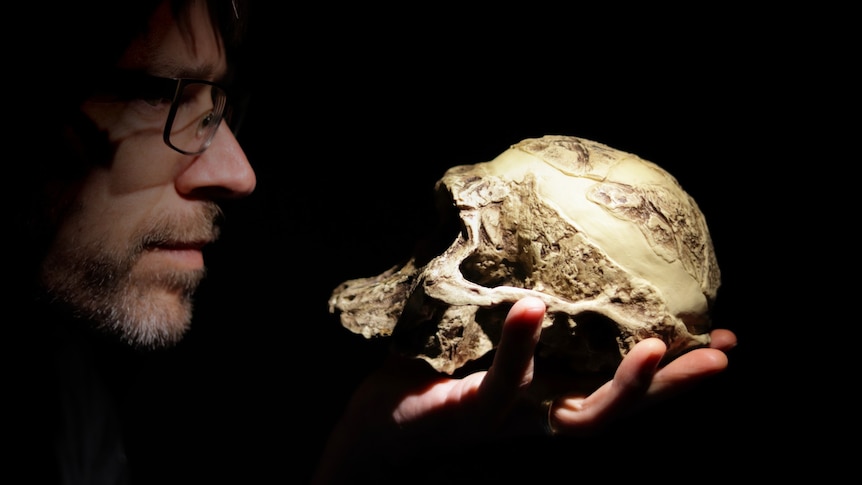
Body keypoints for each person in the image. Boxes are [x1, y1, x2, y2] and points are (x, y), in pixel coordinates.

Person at [7, 1, 737, 484]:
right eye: (157, 95)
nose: (239, 173)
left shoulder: (67, 407)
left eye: (219, 106)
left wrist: (371, 456)